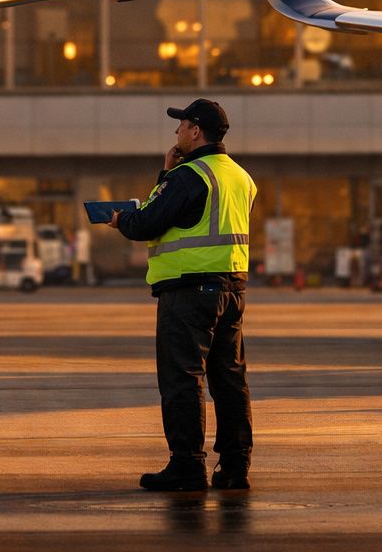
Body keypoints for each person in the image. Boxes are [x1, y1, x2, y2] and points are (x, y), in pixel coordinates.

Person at [109, 98, 256, 493]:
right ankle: (235, 466)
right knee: (229, 378)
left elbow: (148, 222)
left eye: (181, 125)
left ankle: (187, 465)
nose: (176, 131)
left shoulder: (189, 176)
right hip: (232, 288)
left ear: (195, 131)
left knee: (183, 378)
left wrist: (122, 219)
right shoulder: (240, 177)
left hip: (188, 291)